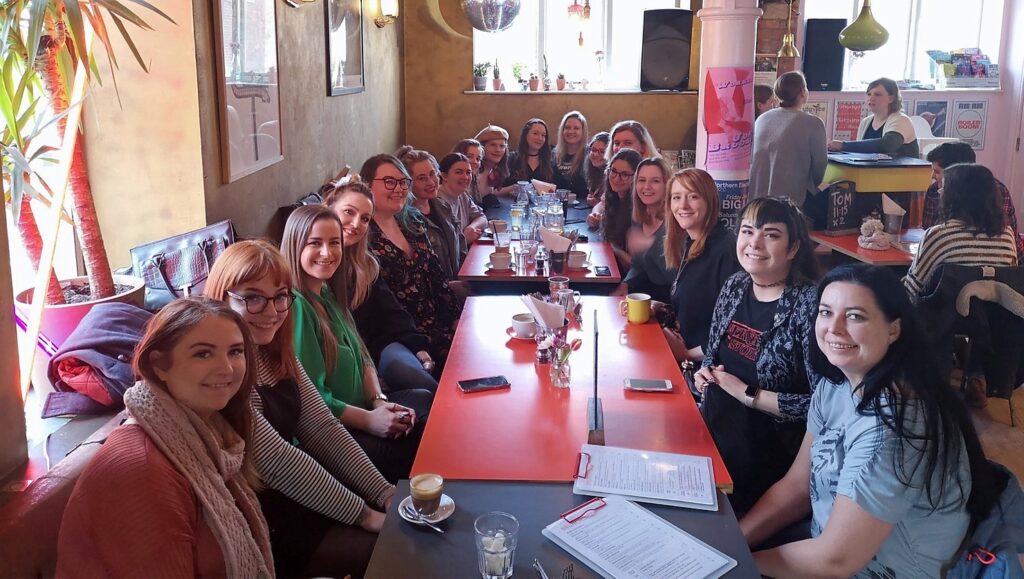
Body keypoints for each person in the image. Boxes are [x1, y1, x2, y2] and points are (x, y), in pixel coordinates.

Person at [740, 264, 997, 578]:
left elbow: (836, 560)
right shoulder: (834, 385)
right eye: (825, 312)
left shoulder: (895, 424)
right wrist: (733, 543)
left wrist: (731, 564)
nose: (833, 328)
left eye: (854, 316)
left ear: (893, 329)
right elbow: (795, 487)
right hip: (824, 545)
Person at [204, 240, 394, 577]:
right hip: (261, 518)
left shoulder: (275, 351)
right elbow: (275, 461)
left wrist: (384, 493)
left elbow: (322, 427)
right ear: (221, 298)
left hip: (297, 496)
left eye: (280, 296)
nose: (272, 311)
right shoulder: (222, 372)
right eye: (252, 297)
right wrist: (365, 515)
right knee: (388, 551)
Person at [57, 298, 274, 578]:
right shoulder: (140, 469)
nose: (227, 369)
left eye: (235, 352)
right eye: (203, 354)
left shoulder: (212, 433)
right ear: (159, 365)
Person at [281, 205, 433, 484]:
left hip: (362, 410)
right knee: (421, 441)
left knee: (427, 400)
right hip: (333, 431)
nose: (327, 253)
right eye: (315, 243)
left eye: (334, 243)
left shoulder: (328, 292)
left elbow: (364, 358)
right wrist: (369, 421)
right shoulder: (297, 306)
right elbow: (314, 400)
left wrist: (378, 402)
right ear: (295, 245)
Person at [694, 197, 820, 512]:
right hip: (717, 428)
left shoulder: (811, 306)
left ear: (793, 248)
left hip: (772, 452)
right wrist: (705, 374)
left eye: (772, 234)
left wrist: (748, 394)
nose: (755, 243)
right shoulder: (735, 286)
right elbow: (712, 357)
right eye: (748, 231)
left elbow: (825, 407)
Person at [323, 181, 438, 392]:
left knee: (423, 384)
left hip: (379, 346)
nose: (356, 224)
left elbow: (392, 312)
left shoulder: (365, 265)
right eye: (348, 212)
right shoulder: (316, 266)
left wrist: (417, 345)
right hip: (344, 359)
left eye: (365, 219)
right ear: (329, 209)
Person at [360, 154, 461, 365]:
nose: (399, 189)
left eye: (403, 182)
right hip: (403, 339)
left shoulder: (413, 221)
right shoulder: (363, 235)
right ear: (367, 185)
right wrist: (420, 344)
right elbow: (383, 308)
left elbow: (437, 277)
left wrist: (455, 319)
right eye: (389, 182)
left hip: (438, 326)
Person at [903, 163, 1019, 301]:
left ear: (954, 197)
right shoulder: (1006, 235)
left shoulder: (939, 235)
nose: (940, 194)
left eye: (943, 189)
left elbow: (912, 289)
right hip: (995, 320)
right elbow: (1011, 284)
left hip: (944, 319)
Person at [660, 168, 740, 362]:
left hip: (706, 367)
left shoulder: (726, 251)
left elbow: (736, 329)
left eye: (693, 196)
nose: (683, 205)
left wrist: (687, 355)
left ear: (710, 201)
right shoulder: (691, 242)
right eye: (676, 197)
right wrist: (661, 308)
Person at [749, 71, 828, 229]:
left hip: (756, 199)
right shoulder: (813, 123)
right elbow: (820, 167)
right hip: (791, 202)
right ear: (803, 93)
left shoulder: (762, 119)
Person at [922, 142, 1023, 258]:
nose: (932, 176)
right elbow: (929, 229)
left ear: (955, 172)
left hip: (997, 262)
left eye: (937, 171)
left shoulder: (996, 191)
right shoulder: (935, 189)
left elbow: (997, 237)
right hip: (952, 260)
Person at [398, 149, 467, 283]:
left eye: (432, 174)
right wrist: (448, 287)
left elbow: (461, 246)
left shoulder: (443, 206)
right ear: (407, 183)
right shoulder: (406, 221)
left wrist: (465, 278)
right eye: (422, 178)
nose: (431, 182)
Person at [620, 157, 675, 302]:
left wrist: (650, 244)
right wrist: (626, 283)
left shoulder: (676, 221)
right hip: (645, 295)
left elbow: (676, 278)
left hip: (670, 300)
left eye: (655, 181)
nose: (646, 187)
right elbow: (638, 265)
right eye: (642, 180)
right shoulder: (640, 217)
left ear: (667, 185)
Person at [829, 77, 919, 158]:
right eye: (869, 94)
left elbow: (887, 145)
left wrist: (843, 146)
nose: (871, 98)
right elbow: (860, 152)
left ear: (891, 98)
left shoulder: (901, 120)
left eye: (877, 95)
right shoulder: (866, 122)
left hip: (900, 174)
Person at [588, 149, 642, 269]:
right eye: (613, 171)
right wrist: (595, 214)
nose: (616, 178)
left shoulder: (638, 209)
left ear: (637, 177)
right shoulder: (614, 196)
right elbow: (601, 205)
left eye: (624, 175)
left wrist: (613, 249)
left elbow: (636, 266)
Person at [437, 152, 488, 245]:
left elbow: (482, 218)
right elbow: (444, 246)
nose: (465, 177)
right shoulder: (438, 202)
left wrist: (471, 228)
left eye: (468, 172)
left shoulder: (462, 194)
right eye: (458, 172)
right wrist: (464, 239)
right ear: (444, 176)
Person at [506, 118, 559, 186]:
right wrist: (514, 189)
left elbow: (560, 189)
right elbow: (495, 191)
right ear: (525, 135)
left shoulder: (550, 161)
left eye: (543, 135)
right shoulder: (512, 159)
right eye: (535, 133)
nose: (540, 138)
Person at [553, 110, 590, 199]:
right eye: (567, 127)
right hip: (557, 207)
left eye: (576, 128)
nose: (571, 131)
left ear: (583, 131)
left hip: (583, 207)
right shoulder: (553, 154)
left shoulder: (590, 154)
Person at [474, 124, 512, 205]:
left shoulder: (493, 170)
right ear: (482, 148)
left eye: (502, 146)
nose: (498, 150)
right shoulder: (474, 172)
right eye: (493, 145)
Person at [452, 137, 486, 207]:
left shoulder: (473, 181)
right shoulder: (452, 185)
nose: (475, 162)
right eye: (469, 157)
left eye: (478, 159)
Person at [584, 131, 610, 207]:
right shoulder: (594, 172)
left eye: (602, 152)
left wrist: (598, 204)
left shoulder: (612, 176)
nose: (595, 154)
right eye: (594, 150)